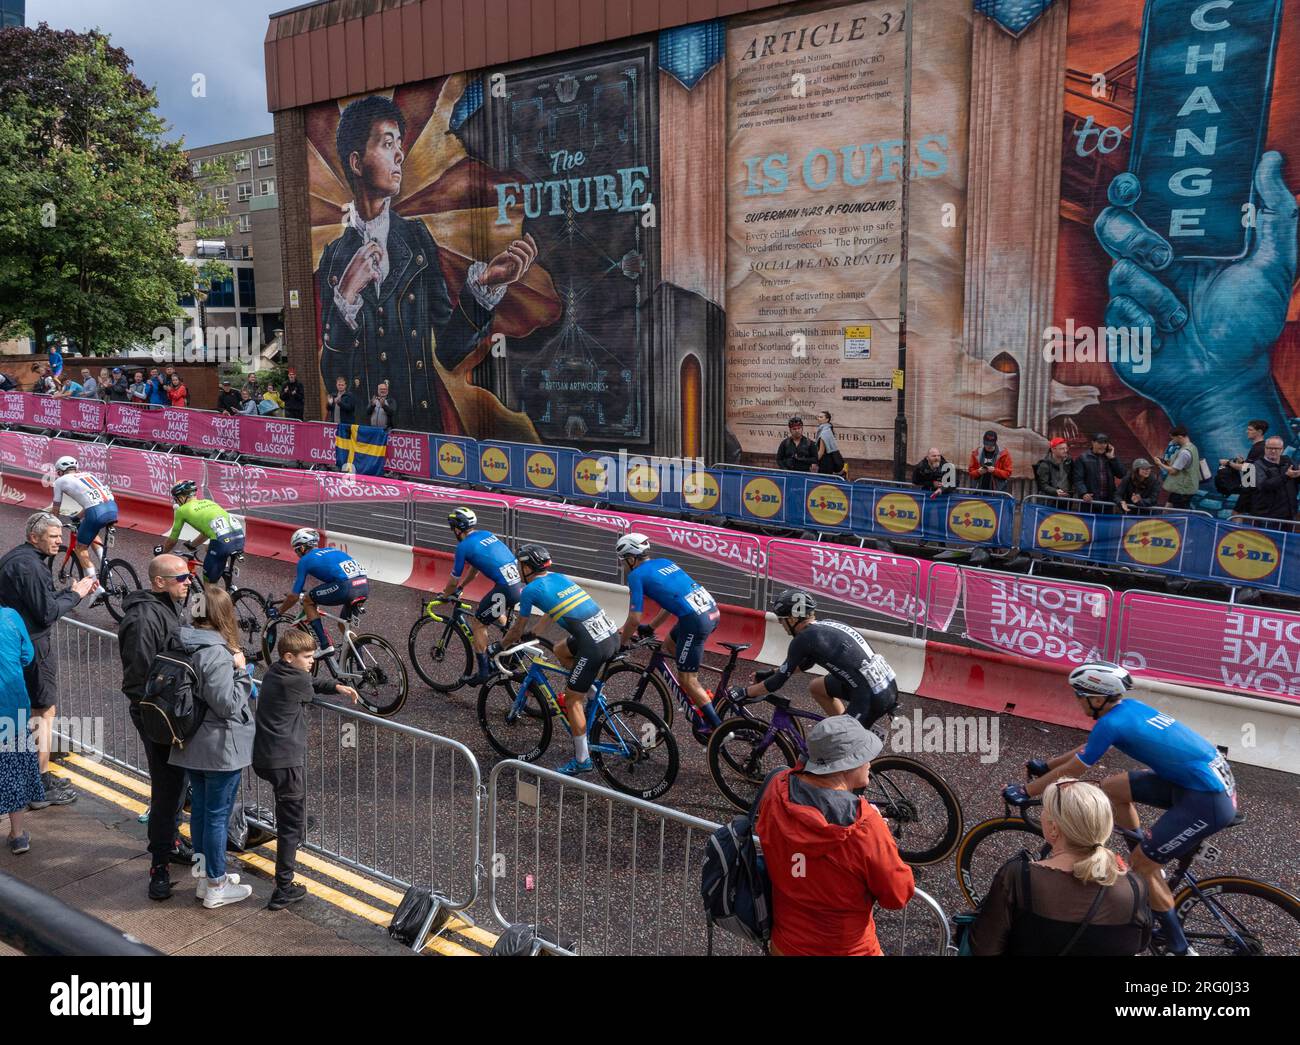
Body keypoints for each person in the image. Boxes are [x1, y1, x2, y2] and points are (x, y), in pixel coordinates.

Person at [318, 94, 539, 435]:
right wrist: (345, 295)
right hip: (365, 434)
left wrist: (482, 288)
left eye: (400, 145)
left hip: (420, 429)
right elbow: (333, 374)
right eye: (387, 143)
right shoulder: (334, 257)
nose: (399, 154)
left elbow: (450, 351)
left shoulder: (417, 239)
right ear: (357, 162)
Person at [1005, 662, 1238, 957]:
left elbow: (1077, 768)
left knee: (1142, 865)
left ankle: (1178, 948)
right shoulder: (1127, 709)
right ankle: (1147, 858)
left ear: (1098, 698)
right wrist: (1047, 766)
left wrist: (1026, 791)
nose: (1077, 700)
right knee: (1113, 786)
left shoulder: (1111, 723)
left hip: (1207, 800)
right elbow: (1089, 747)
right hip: (1197, 784)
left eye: (1081, 695)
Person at [756, 716, 914, 956]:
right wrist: (882, 837)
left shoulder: (777, 789)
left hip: (786, 943)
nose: (870, 763)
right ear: (847, 764)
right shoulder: (865, 827)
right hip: (847, 949)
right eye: (864, 756)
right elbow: (897, 895)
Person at [970, 779, 1151, 956]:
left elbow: (983, 948)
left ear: (1054, 829)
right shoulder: (1135, 887)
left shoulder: (1019, 878)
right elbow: (1140, 943)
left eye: (1045, 811)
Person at [253, 627, 358, 910]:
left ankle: (298, 825)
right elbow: (310, 687)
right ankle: (283, 889)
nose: (312, 660)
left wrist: (336, 685)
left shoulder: (276, 671)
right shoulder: (297, 680)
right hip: (285, 762)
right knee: (288, 827)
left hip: (264, 758)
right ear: (289, 657)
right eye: (307, 656)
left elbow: (312, 684)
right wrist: (335, 686)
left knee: (291, 812)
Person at [498, 544, 620, 776]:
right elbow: (551, 611)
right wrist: (535, 632)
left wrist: (500, 646)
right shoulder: (558, 577)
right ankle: (592, 691)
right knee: (561, 649)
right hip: (610, 634)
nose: (517, 568)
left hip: (593, 645)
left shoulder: (531, 590)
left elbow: (515, 630)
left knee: (573, 699)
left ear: (526, 567)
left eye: (519, 564)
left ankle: (582, 759)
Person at [0, 511, 96, 805]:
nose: (59, 542)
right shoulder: (30, 566)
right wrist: (76, 594)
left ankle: (33, 775)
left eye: (59, 536)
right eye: (53, 537)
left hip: (19, 644)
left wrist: (66, 593)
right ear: (34, 537)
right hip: (33, 646)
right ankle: (39, 784)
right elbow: (46, 613)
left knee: (31, 711)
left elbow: (39, 601)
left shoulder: (18, 558)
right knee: (44, 711)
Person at [169, 585, 255, 910]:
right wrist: (242, 671)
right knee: (216, 817)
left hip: (192, 743)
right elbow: (228, 704)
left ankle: (205, 879)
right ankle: (217, 885)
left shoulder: (185, 641)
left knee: (202, 814)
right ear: (222, 615)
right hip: (219, 748)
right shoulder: (216, 653)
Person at [118, 554, 196, 899]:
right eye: (181, 578)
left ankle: (172, 839)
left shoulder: (168, 605)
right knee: (167, 790)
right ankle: (159, 867)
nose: (188, 582)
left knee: (178, 786)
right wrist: (164, 716)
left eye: (188, 576)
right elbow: (138, 678)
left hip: (173, 712)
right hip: (159, 717)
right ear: (159, 582)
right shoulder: (144, 618)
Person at [727, 589, 898, 728]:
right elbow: (806, 663)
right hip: (885, 684)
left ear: (793, 618)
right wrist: (771, 672)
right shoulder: (827, 624)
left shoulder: (803, 639)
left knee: (833, 748)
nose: (781, 624)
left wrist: (744, 692)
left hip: (871, 697)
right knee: (817, 687)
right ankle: (846, 725)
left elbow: (776, 684)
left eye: (782, 620)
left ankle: (848, 741)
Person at [615, 533, 723, 736]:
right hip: (711, 611)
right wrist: (652, 627)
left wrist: (621, 643)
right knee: (669, 647)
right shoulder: (665, 562)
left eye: (623, 561)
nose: (623, 565)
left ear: (631, 558)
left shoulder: (636, 576)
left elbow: (634, 619)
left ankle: (717, 728)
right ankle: (699, 696)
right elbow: (672, 601)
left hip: (694, 621)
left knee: (687, 679)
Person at [436, 508, 523, 686]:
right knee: (494, 612)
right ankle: (516, 650)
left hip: (505, 588)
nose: (453, 531)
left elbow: (453, 580)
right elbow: (475, 569)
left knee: (478, 622)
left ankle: (484, 671)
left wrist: (446, 594)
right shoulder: (486, 534)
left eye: (453, 528)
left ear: (458, 529)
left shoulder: (463, 546)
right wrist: (462, 588)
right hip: (517, 585)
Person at [274, 529, 369, 659]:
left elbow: (294, 596)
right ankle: (361, 667)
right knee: (344, 625)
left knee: (308, 600)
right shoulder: (334, 551)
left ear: (302, 548)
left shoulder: (305, 560)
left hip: (345, 587)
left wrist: (279, 612)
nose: (297, 554)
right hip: (363, 585)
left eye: (296, 550)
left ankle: (325, 646)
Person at [0, 606, 40, 855]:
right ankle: (17, 836)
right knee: (14, 771)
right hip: (12, 707)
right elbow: (27, 655)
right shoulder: (11, 616)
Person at [46, 456, 118, 591]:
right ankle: (107, 569)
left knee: (80, 547)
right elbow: (91, 500)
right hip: (112, 508)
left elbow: (56, 508)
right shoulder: (88, 475)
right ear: (76, 468)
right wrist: (77, 517)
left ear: (60, 472)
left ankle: (96, 588)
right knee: (92, 533)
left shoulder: (60, 481)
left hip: (96, 512)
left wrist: (54, 525)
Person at [157, 480, 245, 584]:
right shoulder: (208, 502)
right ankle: (226, 577)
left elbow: (172, 540)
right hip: (240, 536)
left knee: (209, 585)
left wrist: (161, 554)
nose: (176, 502)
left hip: (222, 543)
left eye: (176, 499)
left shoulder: (182, 510)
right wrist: (192, 544)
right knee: (209, 547)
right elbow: (207, 532)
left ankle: (215, 589)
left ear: (181, 497)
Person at [1238, 436, 1298, 522]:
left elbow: (1296, 477)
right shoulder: (1256, 465)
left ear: (1282, 449)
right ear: (1265, 449)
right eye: (1270, 448)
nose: (1273, 451)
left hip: (1289, 515)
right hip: (1266, 516)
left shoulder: (1287, 460)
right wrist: (1286, 476)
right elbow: (1264, 485)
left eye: (1276, 448)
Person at [1072, 432, 1123, 508]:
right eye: (1100, 443)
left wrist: (1113, 459)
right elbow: (1078, 479)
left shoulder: (1110, 458)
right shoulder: (1083, 458)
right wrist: (1084, 493)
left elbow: (1121, 474)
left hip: (1108, 501)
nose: (1103, 446)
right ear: (1093, 443)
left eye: (1105, 443)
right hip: (1090, 500)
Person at [813, 410, 846, 477]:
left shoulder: (824, 432)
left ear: (827, 419)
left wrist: (814, 462)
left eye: (821, 417)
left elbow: (821, 452)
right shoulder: (828, 429)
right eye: (818, 417)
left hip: (825, 463)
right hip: (829, 461)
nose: (818, 418)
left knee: (823, 482)